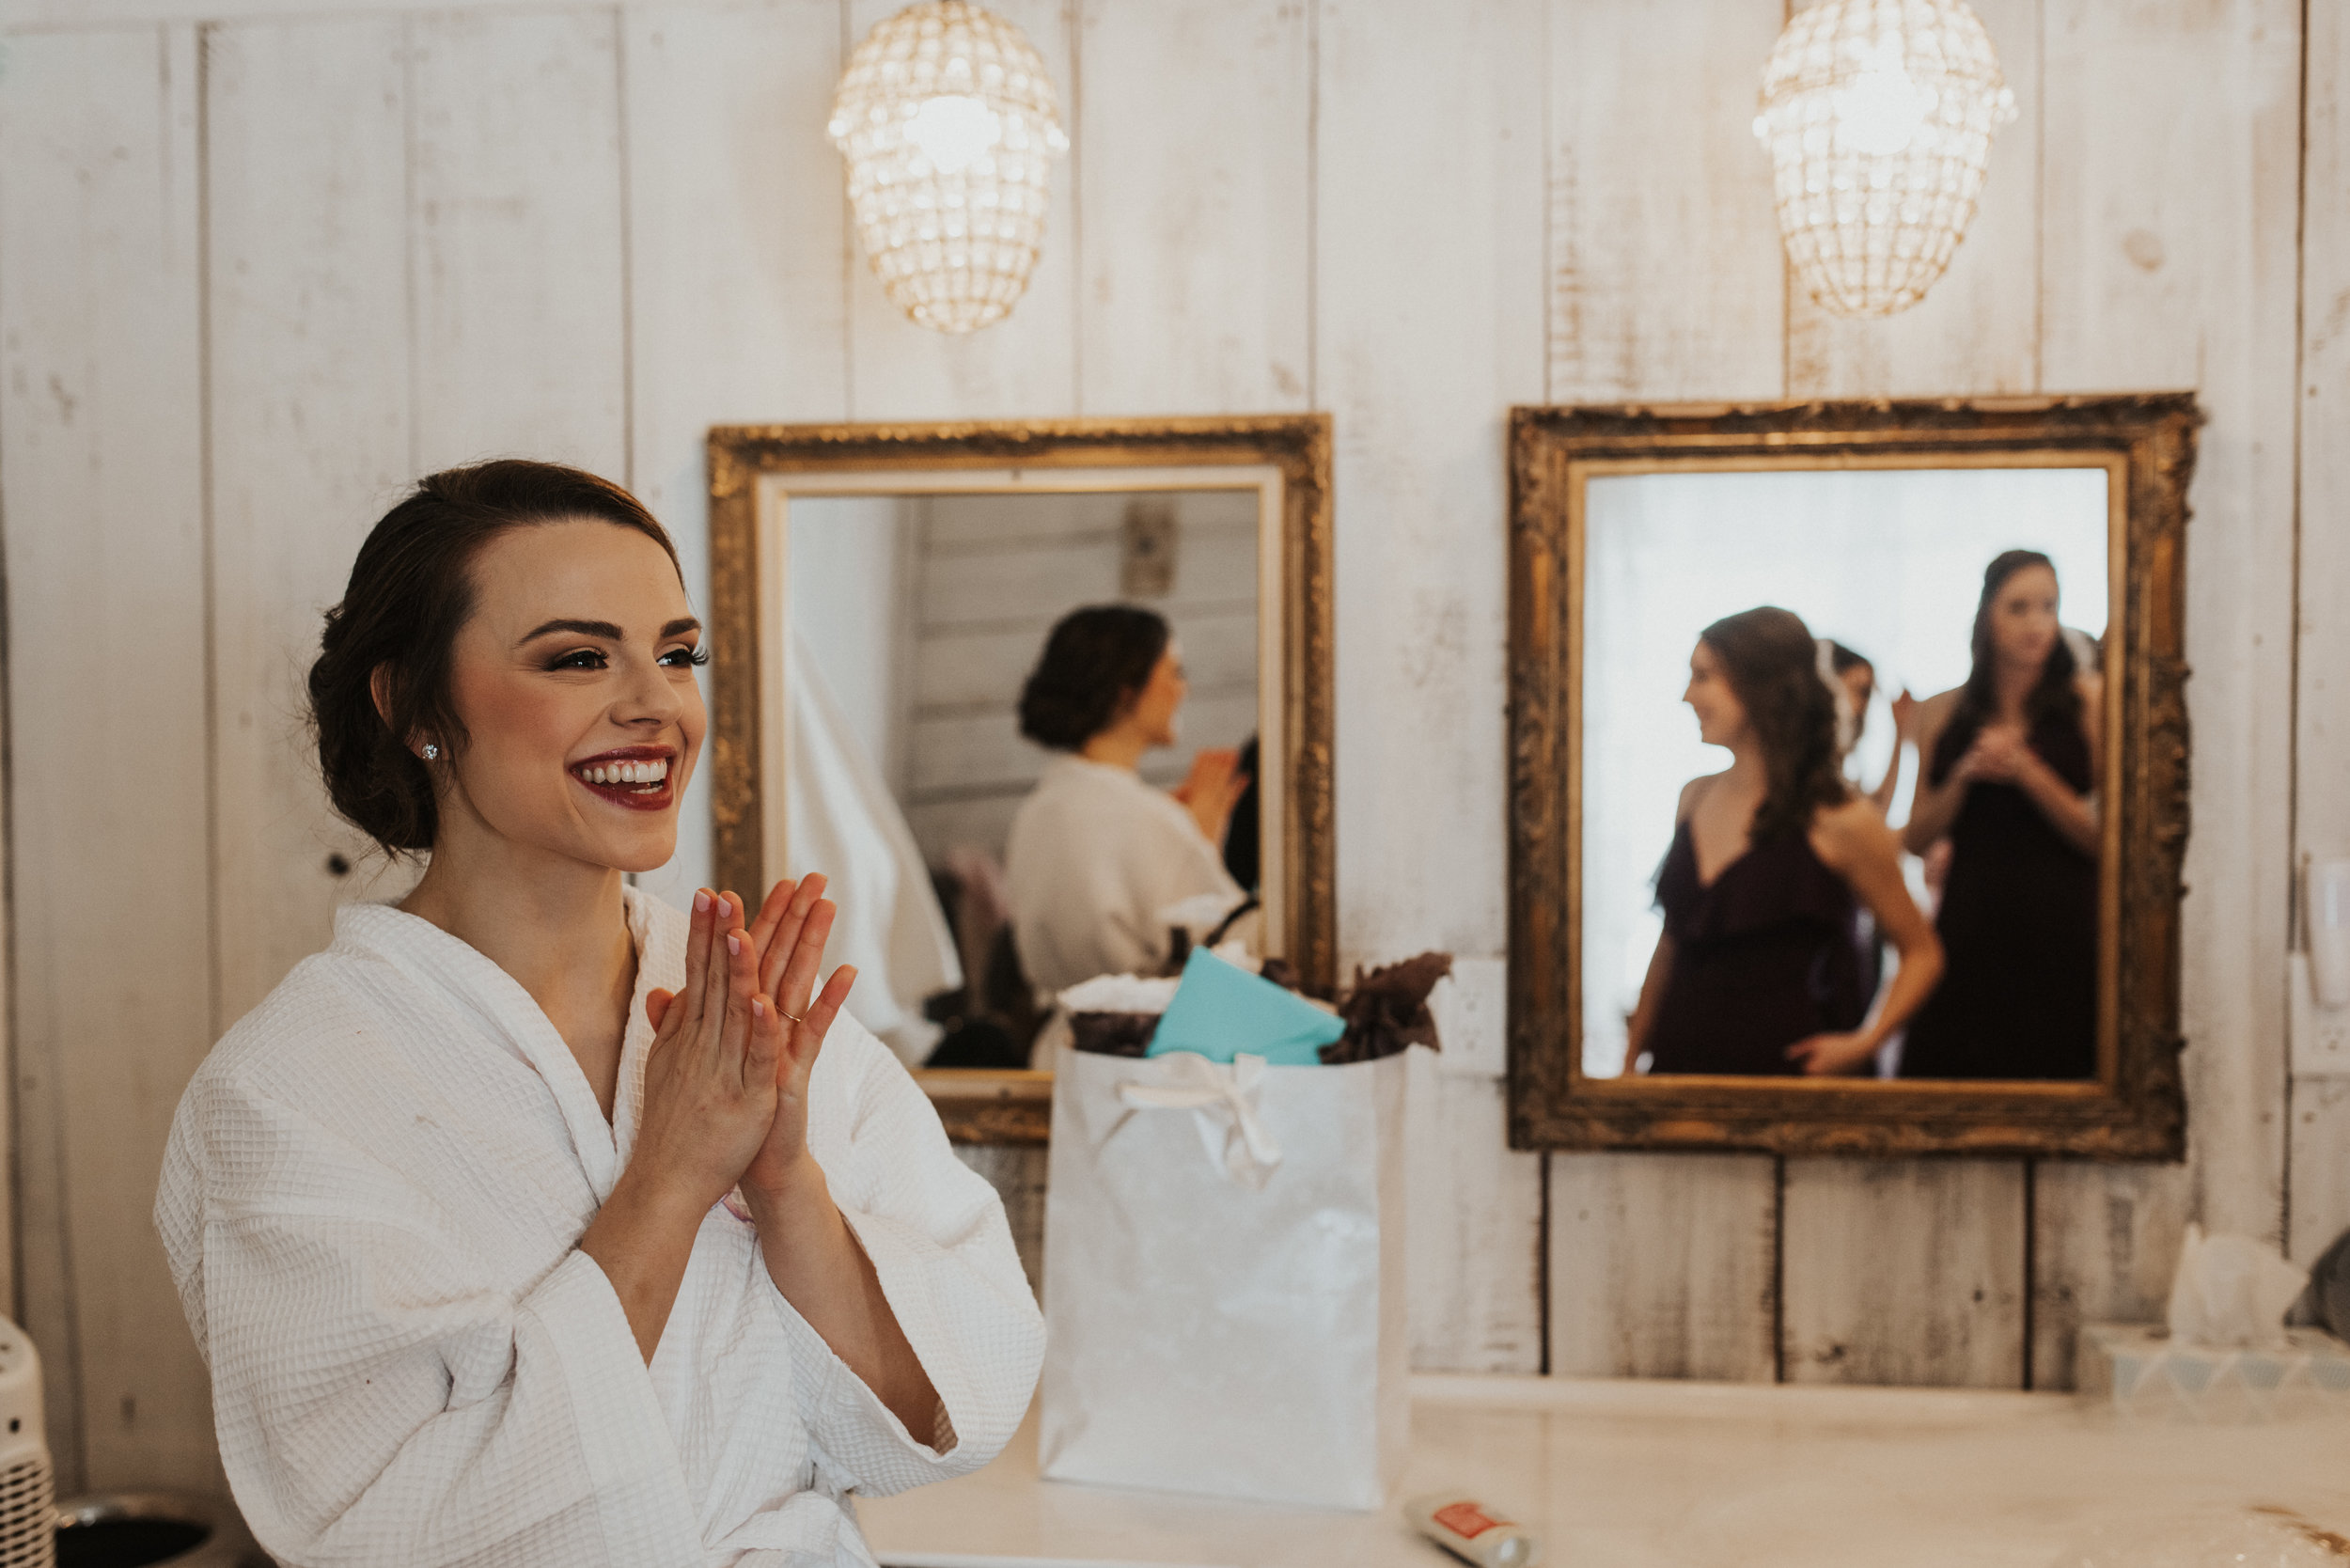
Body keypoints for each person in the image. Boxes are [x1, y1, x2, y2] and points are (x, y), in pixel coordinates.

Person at [153, 462, 1042, 1567]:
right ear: (412, 707)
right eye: (578, 658)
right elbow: (384, 1533)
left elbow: (957, 1405)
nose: (657, 705)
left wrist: (782, 1184)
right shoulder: (291, 1090)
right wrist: (667, 1182)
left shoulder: (746, 1012)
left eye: (676, 655)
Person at [1628, 607, 1943, 1077]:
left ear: (1759, 687)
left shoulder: (1841, 819)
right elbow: (1671, 944)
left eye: (1703, 677)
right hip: (1679, 1069)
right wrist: (1631, 1058)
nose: (1687, 696)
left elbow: (1922, 952)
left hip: (1782, 1076)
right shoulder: (1694, 796)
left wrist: (1865, 1042)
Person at [1899, 550, 2102, 1080]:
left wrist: (2027, 772)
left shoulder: (2089, 704)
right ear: (1987, 614)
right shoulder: (1940, 712)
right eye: (2018, 607)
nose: (2037, 624)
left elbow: (2107, 840)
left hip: (2062, 924)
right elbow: (1916, 838)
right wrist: (1965, 774)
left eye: (2049, 607)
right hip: (1971, 923)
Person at [1003, 604, 1250, 996]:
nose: (1183, 689)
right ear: (1127, 690)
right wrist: (1197, 843)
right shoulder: (1145, 818)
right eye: (1174, 672)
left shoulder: (1038, 810)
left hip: (1057, 1044)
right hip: (1142, 1042)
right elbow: (1238, 951)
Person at [1825, 640, 1919, 815]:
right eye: (1856, 690)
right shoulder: (1815, 767)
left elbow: (1875, 811)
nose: (1860, 706)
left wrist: (1900, 730)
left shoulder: (1840, 765)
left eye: (1867, 694)